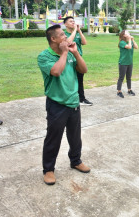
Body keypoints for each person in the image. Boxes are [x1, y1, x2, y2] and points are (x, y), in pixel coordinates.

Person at [38, 25, 90, 186]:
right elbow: (56, 71)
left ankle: (75, 160)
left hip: (73, 100)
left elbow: (84, 69)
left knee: (75, 137)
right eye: (62, 35)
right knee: (53, 138)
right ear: (53, 39)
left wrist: (75, 52)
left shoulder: (71, 53)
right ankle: (48, 170)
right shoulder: (44, 56)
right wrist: (66, 53)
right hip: (57, 104)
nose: (66, 38)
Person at [63, 16, 93, 106]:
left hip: (78, 60)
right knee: (69, 80)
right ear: (65, 24)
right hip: (69, 61)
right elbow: (68, 42)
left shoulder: (77, 33)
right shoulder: (64, 34)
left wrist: (79, 31)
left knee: (80, 80)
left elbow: (84, 42)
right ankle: (69, 98)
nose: (73, 23)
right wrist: (75, 30)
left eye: (74, 21)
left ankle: (81, 99)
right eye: (70, 21)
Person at [117, 30, 138, 98]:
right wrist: (129, 40)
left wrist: (133, 40)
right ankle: (119, 91)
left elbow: (136, 47)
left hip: (129, 62)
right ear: (124, 35)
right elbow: (129, 47)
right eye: (127, 33)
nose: (129, 34)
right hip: (123, 63)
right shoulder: (122, 43)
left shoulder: (130, 41)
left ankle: (129, 90)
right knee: (121, 77)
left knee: (129, 77)